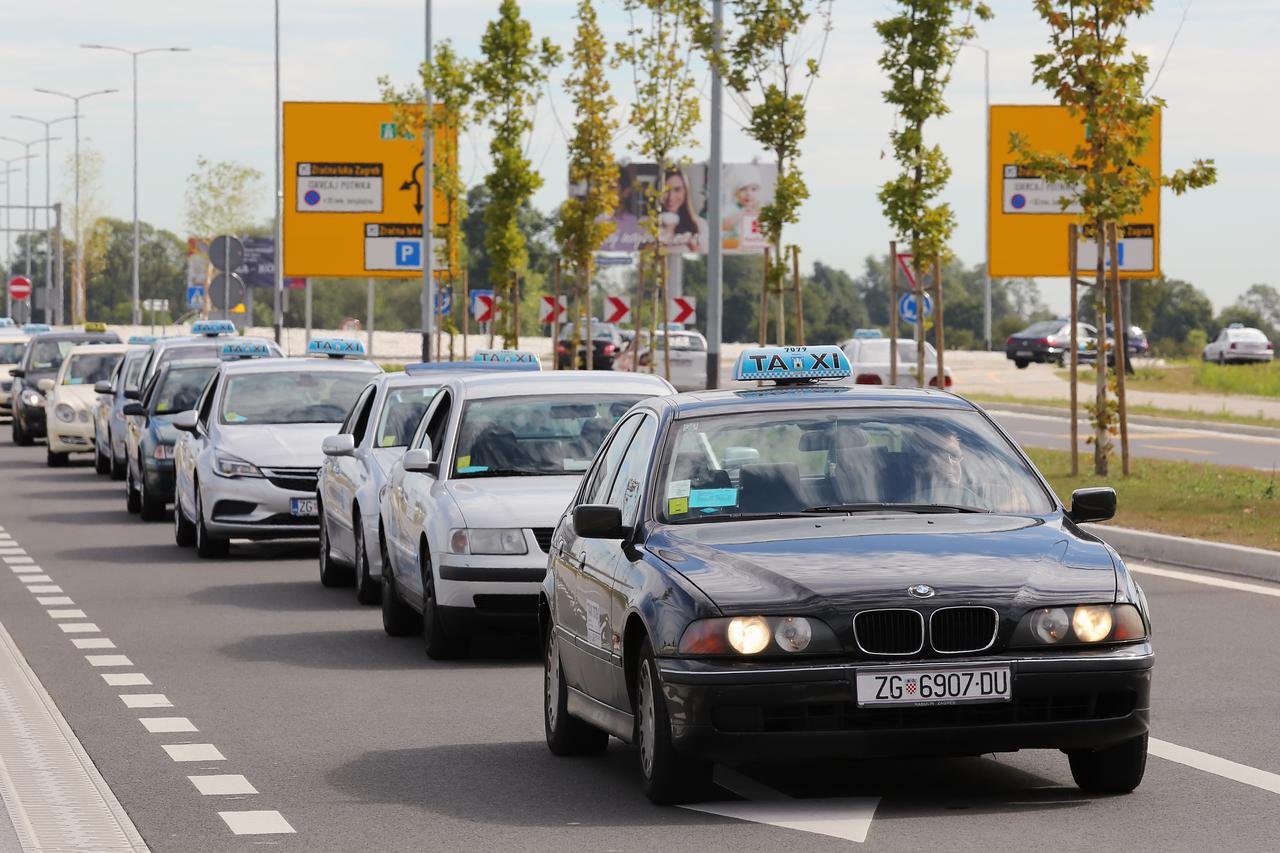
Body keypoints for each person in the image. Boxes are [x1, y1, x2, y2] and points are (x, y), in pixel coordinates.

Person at [658, 168, 708, 253]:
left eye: (677, 190)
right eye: (665, 190)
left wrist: (694, 247)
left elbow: (707, 256)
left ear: (685, 191)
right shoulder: (646, 224)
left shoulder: (700, 225)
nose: (671, 197)